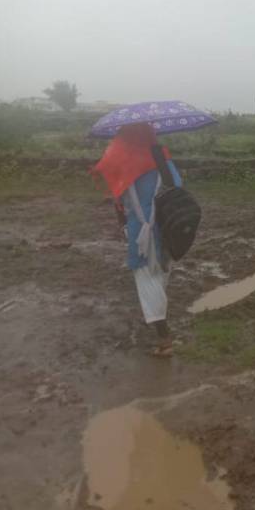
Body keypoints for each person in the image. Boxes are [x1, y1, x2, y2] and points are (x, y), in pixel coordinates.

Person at [92, 122, 182, 356]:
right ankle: (158, 319)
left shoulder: (122, 161)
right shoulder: (161, 156)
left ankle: (164, 339)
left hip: (140, 231)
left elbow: (119, 200)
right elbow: (178, 186)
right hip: (168, 227)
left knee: (146, 280)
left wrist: (124, 224)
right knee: (160, 274)